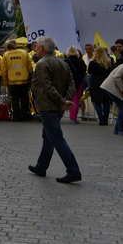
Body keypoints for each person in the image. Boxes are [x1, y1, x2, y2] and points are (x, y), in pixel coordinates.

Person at [26, 37, 81, 183]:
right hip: (57, 106)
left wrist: (62, 101)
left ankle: (73, 170)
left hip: (48, 105)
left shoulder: (42, 64)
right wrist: (65, 100)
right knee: (48, 137)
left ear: (42, 48)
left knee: (56, 138)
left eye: (37, 47)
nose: (35, 49)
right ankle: (41, 166)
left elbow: (47, 86)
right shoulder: (62, 63)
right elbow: (71, 84)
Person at [2, 40, 32, 122]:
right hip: (24, 79)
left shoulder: (6, 55)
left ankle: (16, 116)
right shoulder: (24, 52)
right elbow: (29, 66)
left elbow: (4, 70)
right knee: (24, 98)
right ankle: (25, 115)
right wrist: (30, 75)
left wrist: (5, 83)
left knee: (14, 99)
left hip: (12, 80)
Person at [86, 47, 113, 126]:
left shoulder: (93, 62)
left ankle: (101, 119)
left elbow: (89, 71)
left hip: (96, 83)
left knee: (97, 102)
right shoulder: (108, 62)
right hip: (106, 83)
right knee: (106, 102)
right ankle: (106, 119)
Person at [63, 46, 87, 124]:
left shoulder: (65, 61)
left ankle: (70, 116)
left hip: (67, 82)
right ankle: (73, 118)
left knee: (68, 99)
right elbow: (84, 72)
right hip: (78, 82)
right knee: (76, 100)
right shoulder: (80, 61)